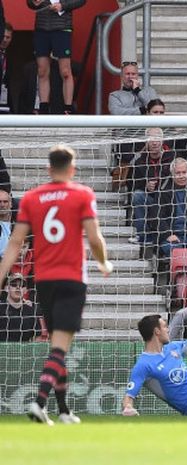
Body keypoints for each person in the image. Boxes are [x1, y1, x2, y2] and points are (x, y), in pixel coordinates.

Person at [0, 145, 112, 425]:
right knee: (60, 347)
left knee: (57, 343)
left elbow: (15, 243)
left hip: (43, 280)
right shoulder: (82, 194)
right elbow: (94, 237)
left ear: (48, 169)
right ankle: (39, 402)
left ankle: (63, 411)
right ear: (72, 169)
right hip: (72, 279)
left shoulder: (31, 199)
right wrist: (103, 263)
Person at [28, 0, 84, 114]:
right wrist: (34, 2)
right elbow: (30, 4)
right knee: (42, 71)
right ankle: (43, 107)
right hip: (41, 28)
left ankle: (68, 107)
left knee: (65, 71)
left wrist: (62, 6)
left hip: (62, 28)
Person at [149, 158, 187, 258]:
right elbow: (156, 216)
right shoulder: (163, 189)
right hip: (173, 236)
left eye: (184, 172)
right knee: (176, 251)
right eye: (178, 173)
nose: (182, 176)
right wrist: (168, 234)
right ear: (172, 174)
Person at [0, 273, 41, 342]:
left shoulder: (31, 312)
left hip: (23, 352)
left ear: (25, 290)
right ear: (6, 288)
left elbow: (37, 337)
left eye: (22, 285)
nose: (18, 287)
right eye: (14, 284)